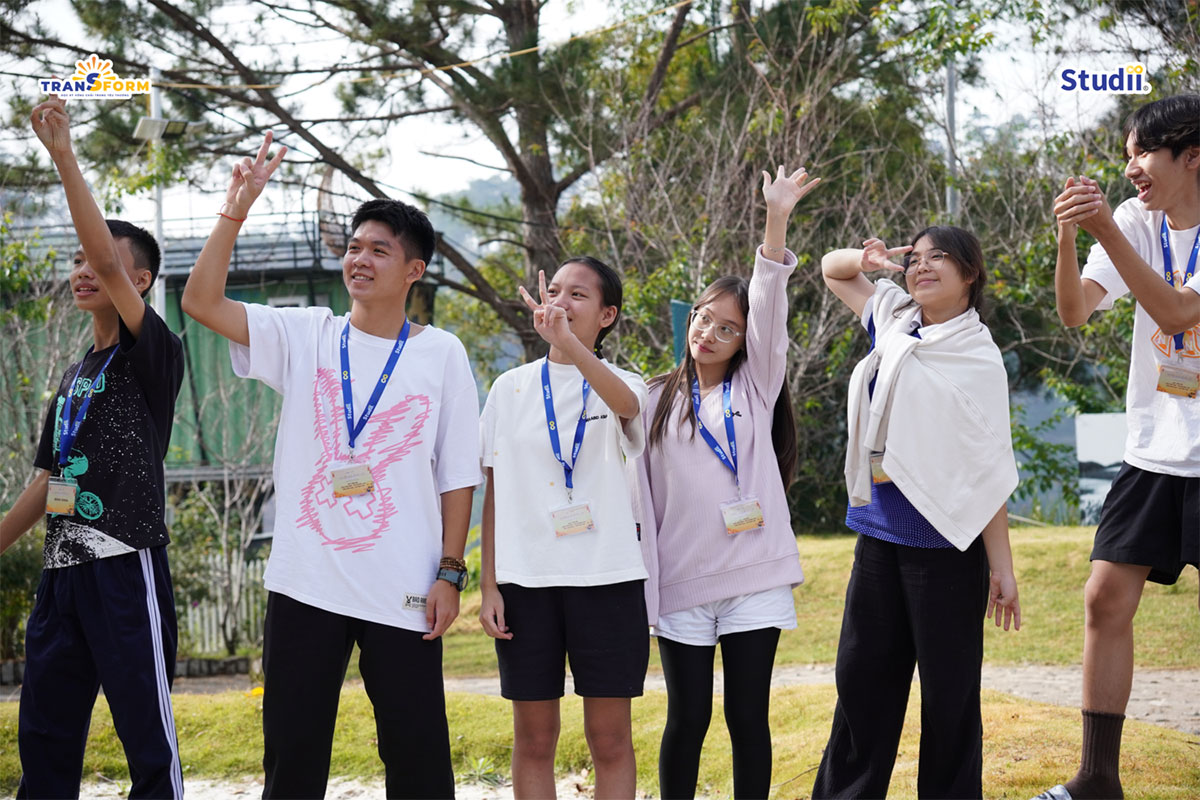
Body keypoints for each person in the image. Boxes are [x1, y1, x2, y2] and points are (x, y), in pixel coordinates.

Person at [180, 133, 481, 799]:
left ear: (414, 269)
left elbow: (458, 473)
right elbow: (199, 302)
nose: (360, 259)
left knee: (418, 756)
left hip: (403, 585)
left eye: (379, 250)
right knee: (292, 755)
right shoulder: (307, 333)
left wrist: (450, 573)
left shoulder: (442, 354)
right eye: (354, 247)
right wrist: (234, 210)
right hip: (305, 582)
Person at [0, 96, 185, 798]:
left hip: (123, 564)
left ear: (138, 282)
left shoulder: (154, 353)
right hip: (63, 572)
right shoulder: (74, 376)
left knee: (147, 738)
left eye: (97, 261)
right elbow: (48, 482)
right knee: (44, 737)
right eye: (75, 259)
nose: (84, 268)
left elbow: (109, 260)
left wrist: (64, 157)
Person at [626, 165, 819, 800]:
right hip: (682, 581)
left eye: (727, 328)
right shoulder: (652, 397)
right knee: (687, 719)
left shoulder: (756, 387)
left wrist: (776, 219)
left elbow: (769, 302)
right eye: (704, 319)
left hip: (753, 580)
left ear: (744, 341)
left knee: (746, 718)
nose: (709, 333)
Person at [811, 227, 1022, 799]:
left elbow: (989, 470)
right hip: (879, 537)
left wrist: (1001, 568)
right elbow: (833, 270)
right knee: (861, 687)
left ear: (970, 273)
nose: (922, 267)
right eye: (917, 259)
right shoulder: (892, 319)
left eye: (939, 258)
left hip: (946, 550)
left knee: (950, 700)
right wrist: (868, 259)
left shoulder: (979, 357)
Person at [1035, 94, 1200, 800]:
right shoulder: (1135, 219)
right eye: (1126, 154)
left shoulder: (1126, 221)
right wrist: (1071, 236)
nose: (1131, 167)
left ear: (1192, 156)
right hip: (1153, 446)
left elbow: (1178, 312)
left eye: (1144, 153)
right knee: (1104, 598)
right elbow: (1075, 311)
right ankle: (1098, 779)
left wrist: (1104, 223)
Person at [478, 259, 649, 799]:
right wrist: (488, 585)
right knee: (533, 740)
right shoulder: (509, 388)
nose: (559, 302)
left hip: (607, 580)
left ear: (607, 315)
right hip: (526, 583)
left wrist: (570, 345)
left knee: (610, 740)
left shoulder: (623, 382)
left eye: (577, 295)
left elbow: (627, 407)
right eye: (554, 290)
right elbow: (495, 489)